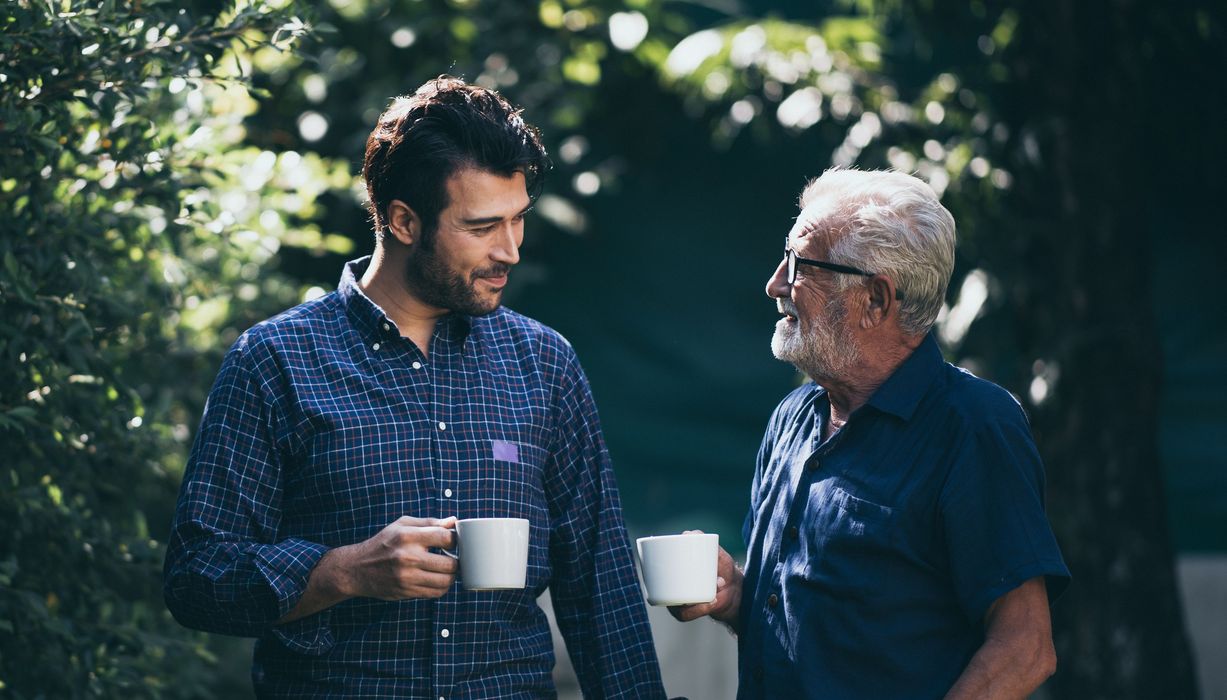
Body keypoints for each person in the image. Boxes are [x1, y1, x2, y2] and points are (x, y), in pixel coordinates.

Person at [164, 76, 666, 699]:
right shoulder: (276, 360)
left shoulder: (544, 362)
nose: (510, 249)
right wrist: (341, 571)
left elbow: (601, 585)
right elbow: (195, 579)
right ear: (404, 221)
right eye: (482, 226)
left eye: (518, 221)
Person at [671, 169, 1070, 699]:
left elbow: (1025, 648)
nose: (775, 284)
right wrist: (735, 594)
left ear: (876, 300)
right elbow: (819, 628)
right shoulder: (792, 418)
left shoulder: (974, 427)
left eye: (797, 264)